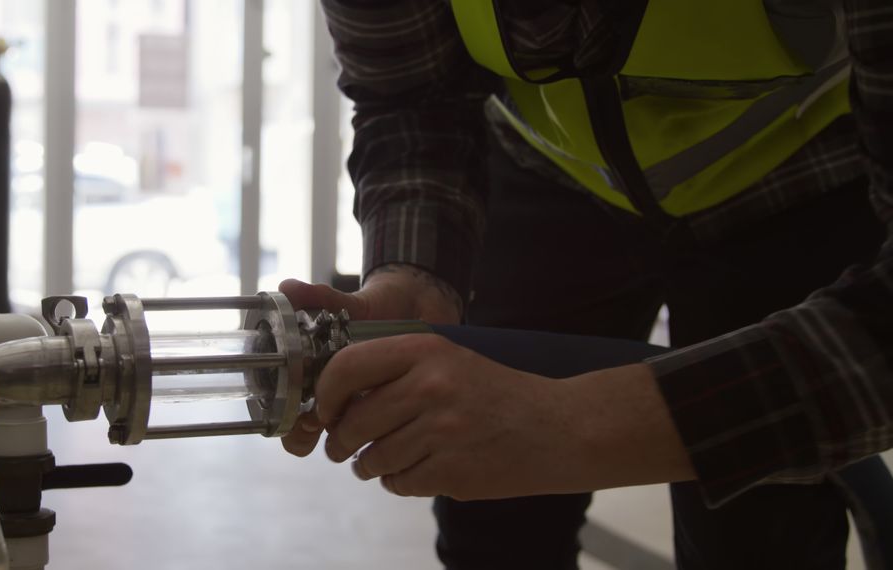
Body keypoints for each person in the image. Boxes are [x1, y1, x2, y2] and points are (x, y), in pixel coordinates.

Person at [278, 1, 893, 569]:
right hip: (549, 171)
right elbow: (413, 97)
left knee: (759, 528)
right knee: (492, 527)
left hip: (801, 176)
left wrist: (574, 427)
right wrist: (413, 273)